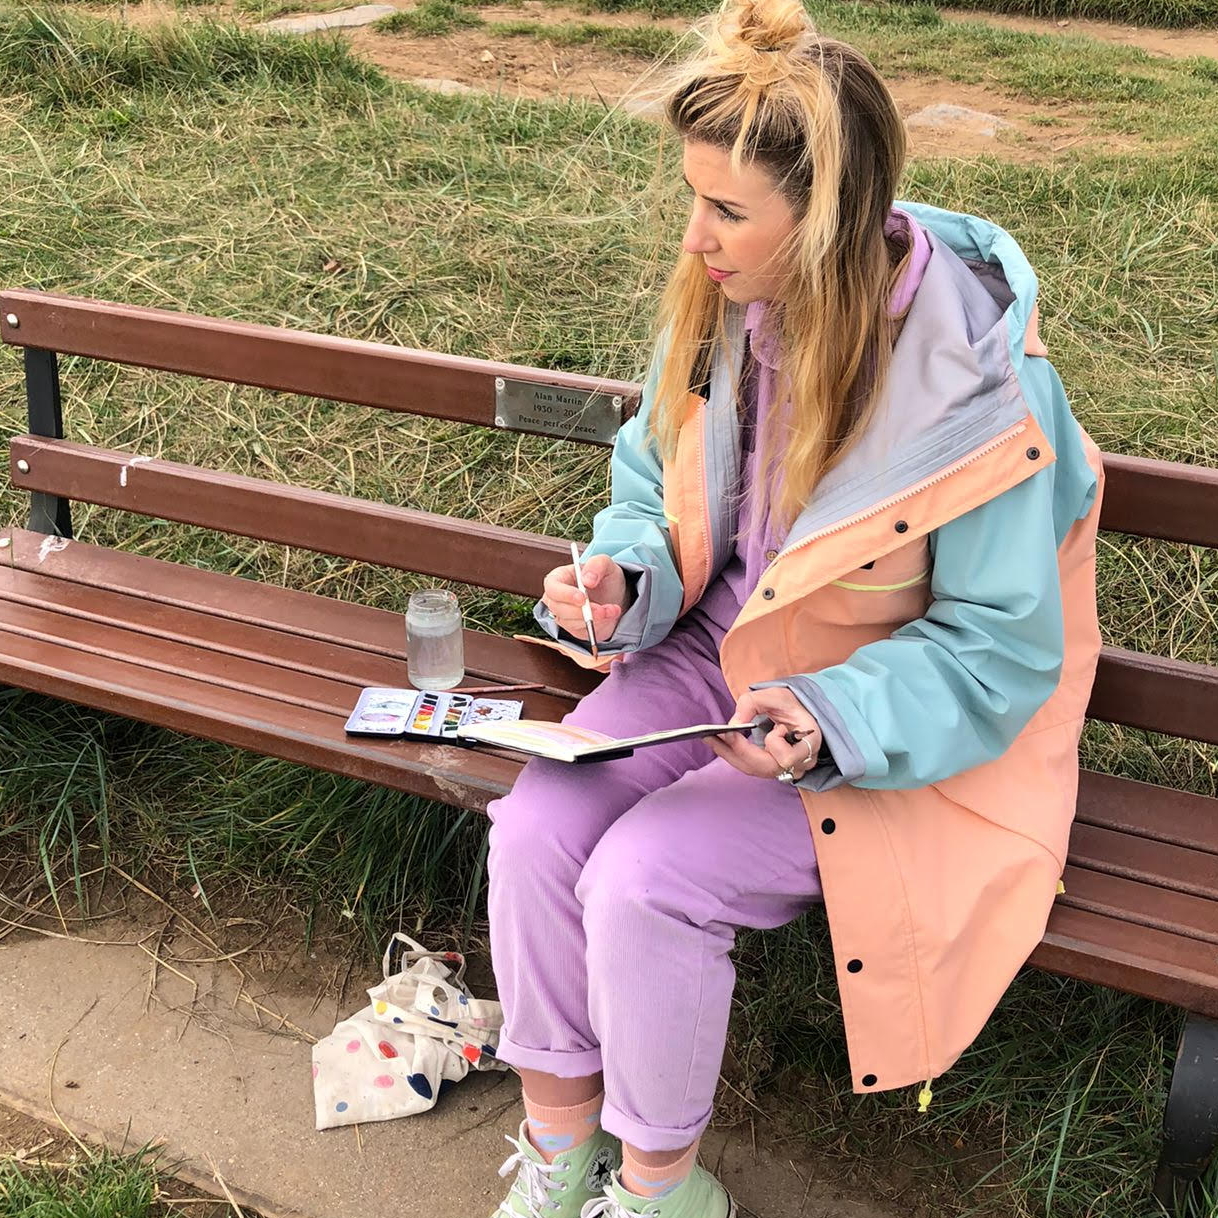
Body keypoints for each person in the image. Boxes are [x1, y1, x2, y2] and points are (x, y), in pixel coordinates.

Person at [484, 0, 1104, 1213]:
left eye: (726, 209)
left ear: (821, 221)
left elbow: (998, 651)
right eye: (692, 196)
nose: (695, 236)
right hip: (715, 667)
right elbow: (650, 485)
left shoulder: (985, 398)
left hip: (891, 736)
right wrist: (627, 579)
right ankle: (561, 1152)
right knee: (538, 825)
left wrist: (828, 716)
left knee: (645, 878)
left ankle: (661, 1187)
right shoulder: (724, 310)